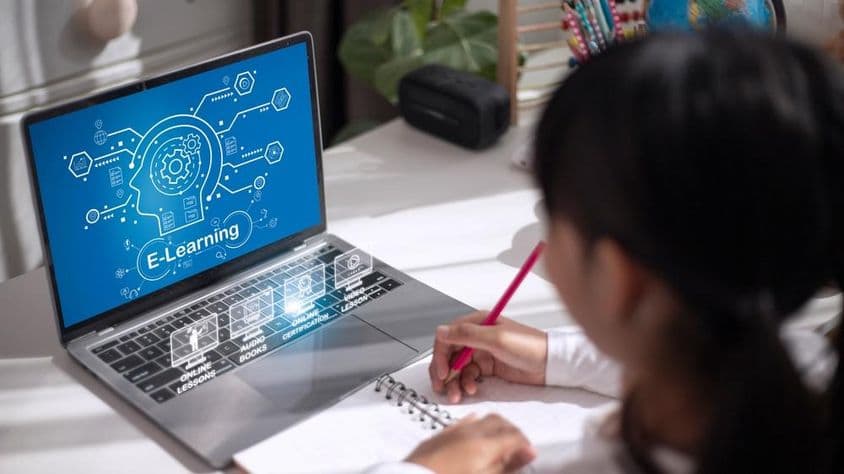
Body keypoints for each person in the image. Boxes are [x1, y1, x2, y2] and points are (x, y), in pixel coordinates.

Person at [370, 29, 844, 473]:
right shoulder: (809, 370)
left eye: (553, 215)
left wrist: (423, 469)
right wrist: (551, 354)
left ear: (621, 279)